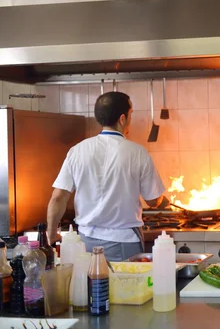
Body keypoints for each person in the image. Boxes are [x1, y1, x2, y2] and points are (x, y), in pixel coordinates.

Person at [47, 91, 167, 261]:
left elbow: (58, 197)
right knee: (127, 287)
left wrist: (51, 234)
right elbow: (153, 200)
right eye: (131, 114)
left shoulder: (77, 151)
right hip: (125, 243)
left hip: (85, 243)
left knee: (92, 287)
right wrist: (162, 199)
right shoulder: (138, 153)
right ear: (122, 119)